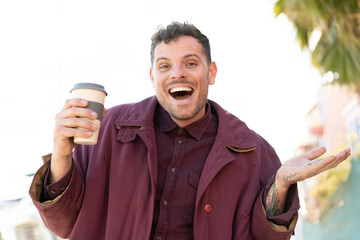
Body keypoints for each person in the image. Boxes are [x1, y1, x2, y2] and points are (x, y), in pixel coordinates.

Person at [29, 22, 351, 240]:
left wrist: (280, 186)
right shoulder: (106, 132)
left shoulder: (254, 151)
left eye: (191, 63)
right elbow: (63, 223)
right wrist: (60, 152)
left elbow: (265, 236)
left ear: (211, 72)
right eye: (165, 66)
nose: (177, 74)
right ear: (152, 75)